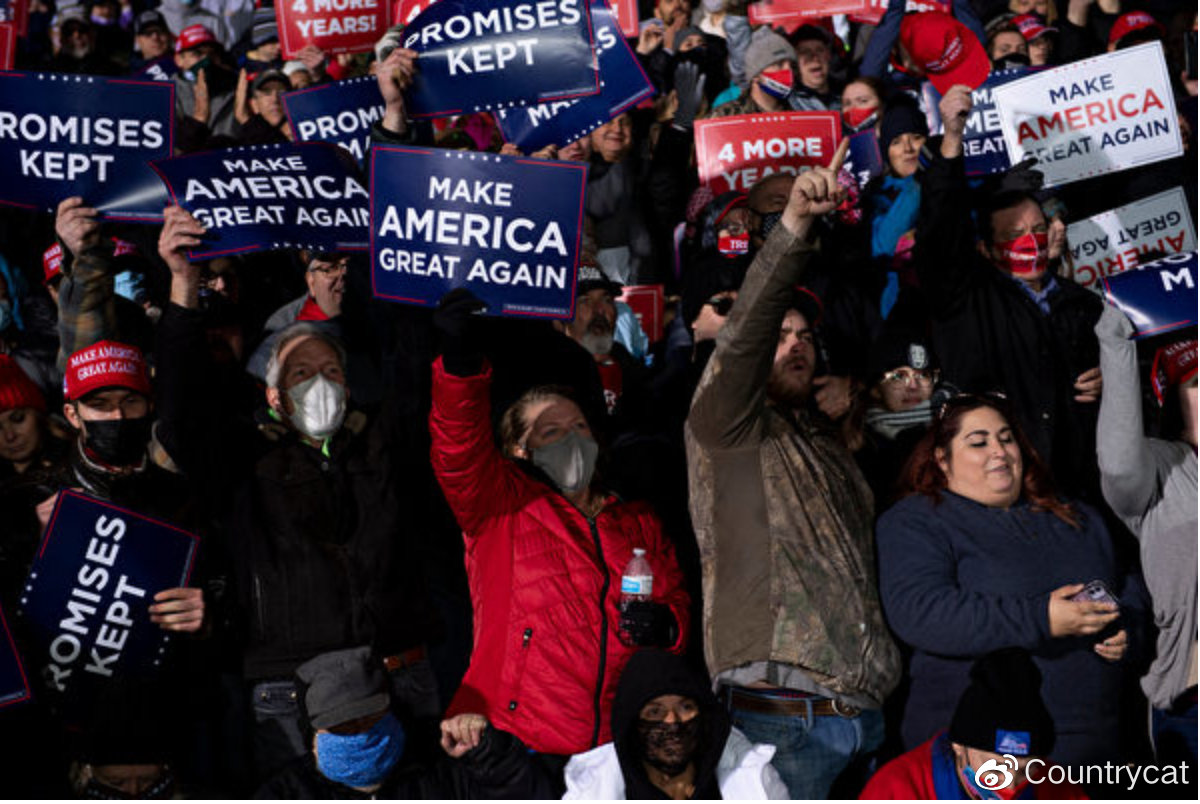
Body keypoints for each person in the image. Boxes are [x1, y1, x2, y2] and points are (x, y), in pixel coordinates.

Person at [155, 206, 442, 782]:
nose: (319, 382)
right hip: (288, 692)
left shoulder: (385, 448)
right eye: (300, 373)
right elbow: (182, 417)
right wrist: (183, 288)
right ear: (275, 398)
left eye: (330, 371)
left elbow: (413, 369)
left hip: (399, 676)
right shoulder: (244, 461)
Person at [685, 140, 901, 799]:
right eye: (781, 337)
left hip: (863, 717)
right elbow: (745, 331)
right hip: (780, 716)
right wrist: (795, 229)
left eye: (806, 336)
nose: (795, 344)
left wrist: (862, 399)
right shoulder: (724, 426)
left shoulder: (824, 436)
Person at [428, 289, 691, 758]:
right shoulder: (500, 509)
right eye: (550, 432)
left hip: (616, 750)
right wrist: (460, 367)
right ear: (517, 450)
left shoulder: (638, 520)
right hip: (522, 746)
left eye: (580, 427)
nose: (571, 438)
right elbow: (458, 450)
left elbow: (676, 604)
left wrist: (668, 627)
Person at [876, 394, 1129, 766]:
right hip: (980, 750)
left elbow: (1132, 587)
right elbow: (922, 612)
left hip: (1092, 745)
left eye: (1006, 438)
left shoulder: (1075, 516)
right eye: (978, 442)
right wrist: (1042, 619)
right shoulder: (916, 521)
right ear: (942, 459)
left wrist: (1126, 629)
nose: (998, 450)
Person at [915, 85, 1104, 501]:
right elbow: (940, 233)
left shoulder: (1085, 305)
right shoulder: (966, 297)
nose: (1030, 242)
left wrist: (1116, 380)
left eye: (1037, 231)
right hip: (1003, 496)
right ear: (985, 247)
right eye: (1015, 235)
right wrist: (951, 141)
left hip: (1083, 491)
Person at [1095, 305, 1197, 768]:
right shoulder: (1161, 468)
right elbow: (1118, 461)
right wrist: (1116, 344)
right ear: (1172, 403)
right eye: (1197, 384)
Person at [257, 646, 554, 799]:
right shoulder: (287, 793)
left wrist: (491, 757)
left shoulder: (443, 767)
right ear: (313, 736)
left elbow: (532, 796)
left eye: (371, 718)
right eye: (343, 727)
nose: (361, 733)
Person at [860, 650, 1087, 800]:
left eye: (1026, 769)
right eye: (996, 768)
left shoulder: (1060, 789)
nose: (1010, 787)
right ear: (958, 746)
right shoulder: (896, 789)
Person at [563, 649, 789, 799]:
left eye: (685, 707)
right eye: (655, 712)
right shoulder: (590, 793)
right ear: (632, 725)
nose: (672, 720)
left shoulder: (756, 782)